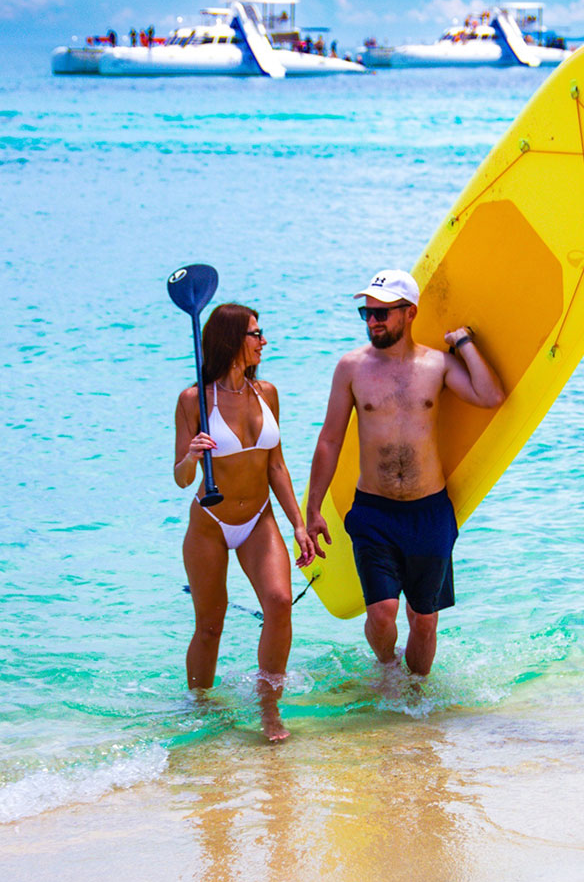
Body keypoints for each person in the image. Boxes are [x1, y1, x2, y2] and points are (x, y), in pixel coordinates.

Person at [306, 269, 504, 676]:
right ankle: (387, 670)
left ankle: (417, 695)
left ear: (410, 312)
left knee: (424, 621)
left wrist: (463, 343)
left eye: (382, 313)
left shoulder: (438, 365)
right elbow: (329, 440)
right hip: (374, 512)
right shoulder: (352, 368)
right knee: (381, 615)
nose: (372, 322)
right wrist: (313, 509)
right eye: (367, 314)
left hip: (429, 511)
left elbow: (490, 396)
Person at [173, 303, 314, 740]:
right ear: (232, 340)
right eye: (256, 334)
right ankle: (200, 710)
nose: (263, 341)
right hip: (210, 522)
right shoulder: (194, 400)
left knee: (279, 602)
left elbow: (277, 466)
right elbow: (181, 478)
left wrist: (298, 524)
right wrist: (192, 455)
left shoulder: (266, 392)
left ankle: (269, 708)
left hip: (258, 517)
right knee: (209, 626)